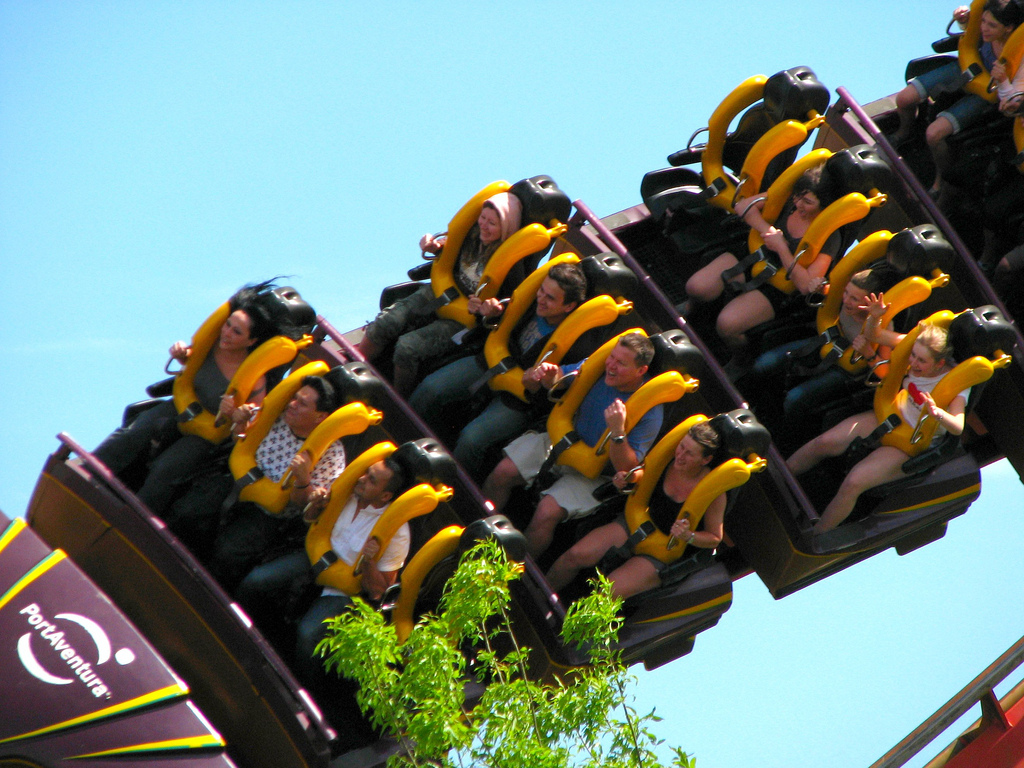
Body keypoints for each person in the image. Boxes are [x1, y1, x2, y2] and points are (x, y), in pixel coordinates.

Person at [93, 280, 295, 515]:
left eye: (236, 332)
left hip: (206, 431)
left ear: (251, 341)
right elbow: (190, 361)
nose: (227, 333)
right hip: (182, 405)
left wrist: (238, 415)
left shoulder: (255, 379)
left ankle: (138, 516)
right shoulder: (211, 344)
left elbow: (246, 430)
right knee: (138, 430)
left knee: (168, 470)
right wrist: (181, 353)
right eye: (228, 325)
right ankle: (92, 471)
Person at [234, 457, 410, 696]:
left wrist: (369, 561)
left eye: (371, 480)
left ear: (385, 496)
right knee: (257, 581)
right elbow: (311, 521)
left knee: (308, 634)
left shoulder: (397, 530)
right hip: (315, 557)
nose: (361, 479)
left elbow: (379, 591)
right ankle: (238, 638)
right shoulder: (346, 490)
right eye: (366, 473)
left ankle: (303, 693)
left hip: (344, 587)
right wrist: (316, 505)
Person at [481, 332, 664, 559]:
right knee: (503, 472)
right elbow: (562, 377)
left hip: (594, 471)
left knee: (546, 512)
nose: (612, 366)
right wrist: (548, 375)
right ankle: (479, 536)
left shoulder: (651, 412)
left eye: (621, 363)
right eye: (612, 357)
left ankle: (511, 567)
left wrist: (618, 432)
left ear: (640, 371)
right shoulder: (599, 367)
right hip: (563, 441)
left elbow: (626, 468)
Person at [787, 319, 969, 534]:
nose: (914, 363)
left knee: (854, 482)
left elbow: (957, 426)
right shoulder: (914, 348)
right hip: (890, 415)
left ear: (939, 363)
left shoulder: (956, 383)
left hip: (909, 441)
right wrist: (875, 317)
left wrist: (938, 413)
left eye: (922, 361)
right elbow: (875, 334)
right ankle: (781, 478)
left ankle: (817, 535)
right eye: (913, 355)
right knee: (825, 442)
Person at [408, 262, 588, 479]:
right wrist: (488, 313)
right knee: (431, 388)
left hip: (520, 398)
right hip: (491, 364)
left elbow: (555, 395)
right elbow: (492, 323)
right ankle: (407, 442)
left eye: (550, 298)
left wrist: (542, 381)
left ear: (568, 306)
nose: (541, 298)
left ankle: (452, 484)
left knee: (471, 439)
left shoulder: (576, 341)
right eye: (542, 290)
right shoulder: (529, 300)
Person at [356, 191, 523, 395]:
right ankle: (354, 363)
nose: (484, 226)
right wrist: (434, 247)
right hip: (438, 293)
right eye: (483, 218)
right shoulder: (470, 234)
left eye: (492, 224)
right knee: (386, 322)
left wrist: (489, 309)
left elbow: (505, 307)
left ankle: (396, 397)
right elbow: (446, 247)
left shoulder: (510, 264)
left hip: (462, 319)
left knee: (407, 348)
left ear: (505, 229)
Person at [545, 421, 725, 600]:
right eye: (682, 447)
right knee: (576, 555)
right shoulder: (669, 458)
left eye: (689, 454)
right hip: (636, 523)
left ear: (706, 460)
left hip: (663, 550)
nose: (681, 455)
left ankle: (573, 627)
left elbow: (714, 539)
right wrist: (627, 479)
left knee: (607, 592)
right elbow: (643, 475)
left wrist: (689, 535)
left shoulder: (713, 493)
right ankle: (541, 592)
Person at [199, 376, 348, 590]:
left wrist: (303, 479)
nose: (292, 404)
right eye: (294, 398)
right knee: (193, 511)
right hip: (237, 483)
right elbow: (241, 440)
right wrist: (240, 422)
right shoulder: (276, 414)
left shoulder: (332, 454)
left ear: (320, 417)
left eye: (302, 403)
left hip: (270, 513)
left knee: (228, 551)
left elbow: (305, 507)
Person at [683, 167, 840, 358]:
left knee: (727, 325)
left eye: (807, 202)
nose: (799, 204)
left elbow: (807, 285)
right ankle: (687, 315)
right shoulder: (790, 200)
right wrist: (769, 231)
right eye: (798, 197)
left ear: (824, 204)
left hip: (778, 283)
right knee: (696, 287)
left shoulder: (830, 236)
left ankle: (739, 359)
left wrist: (782, 248)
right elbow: (743, 207)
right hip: (752, 255)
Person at [892, 0, 1024, 197]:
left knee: (934, 134)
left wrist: (1003, 80)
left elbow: (1012, 98)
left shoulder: (1018, 52)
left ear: (1008, 29)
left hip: (987, 92)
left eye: (992, 26)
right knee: (904, 99)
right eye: (984, 22)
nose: (985, 29)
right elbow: (969, 32)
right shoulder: (987, 21)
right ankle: (902, 134)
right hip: (965, 68)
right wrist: (964, 20)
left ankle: (940, 181)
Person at [745, 268, 890, 441]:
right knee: (762, 365)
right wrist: (819, 287)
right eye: (846, 293)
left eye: (854, 299)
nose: (846, 301)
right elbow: (826, 290)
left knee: (794, 399)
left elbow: (883, 373)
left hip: (845, 370)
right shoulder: (844, 300)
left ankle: (783, 437)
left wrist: (868, 353)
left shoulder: (883, 326)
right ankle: (754, 411)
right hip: (827, 343)